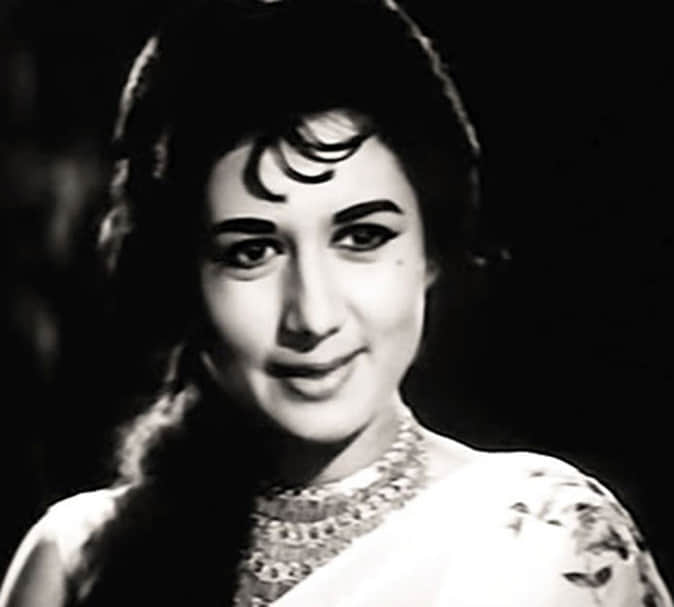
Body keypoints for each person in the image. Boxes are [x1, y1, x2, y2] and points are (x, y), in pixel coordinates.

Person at [0, 1, 671, 605]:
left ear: (432, 252)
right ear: (182, 280)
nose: (313, 317)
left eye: (362, 238)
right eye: (251, 252)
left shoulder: (546, 539)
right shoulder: (76, 561)